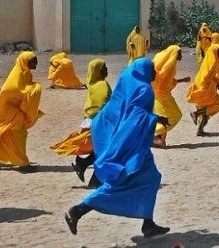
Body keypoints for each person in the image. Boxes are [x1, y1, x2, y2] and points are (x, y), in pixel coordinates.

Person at [64, 57, 170, 239]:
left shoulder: (130, 86)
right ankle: (78, 210)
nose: (155, 72)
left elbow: (118, 110)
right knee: (123, 182)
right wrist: (155, 119)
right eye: (152, 69)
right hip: (133, 146)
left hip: (133, 143)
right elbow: (136, 116)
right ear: (143, 71)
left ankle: (148, 224)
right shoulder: (144, 89)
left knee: (150, 178)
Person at [51, 58, 111, 185]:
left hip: (90, 121)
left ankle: (83, 164)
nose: (107, 70)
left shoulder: (93, 84)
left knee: (103, 149)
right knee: (106, 151)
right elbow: (103, 105)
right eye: (104, 68)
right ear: (97, 71)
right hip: (99, 123)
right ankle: (95, 179)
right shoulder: (102, 85)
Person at [0, 51, 43, 172]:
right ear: (24, 62)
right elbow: (17, 91)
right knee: (18, 135)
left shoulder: (26, 74)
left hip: (15, 110)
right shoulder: (16, 78)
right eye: (33, 61)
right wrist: (35, 88)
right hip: (9, 112)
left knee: (5, 136)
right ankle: (23, 164)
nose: (36, 63)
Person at [152, 46, 191, 148]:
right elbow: (161, 77)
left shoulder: (170, 64)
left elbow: (168, 80)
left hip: (159, 95)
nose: (181, 56)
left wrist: (181, 80)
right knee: (176, 115)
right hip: (163, 96)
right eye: (179, 53)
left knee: (166, 117)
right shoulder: (168, 65)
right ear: (174, 54)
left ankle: (159, 140)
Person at [186, 44, 219, 136]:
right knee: (218, 105)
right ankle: (196, 113)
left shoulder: (208, 61)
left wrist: (217, 83)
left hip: (201, 89)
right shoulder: (212, 63)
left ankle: (200, 130)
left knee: (205, 114)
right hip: (206, 91)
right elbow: (208, 77)